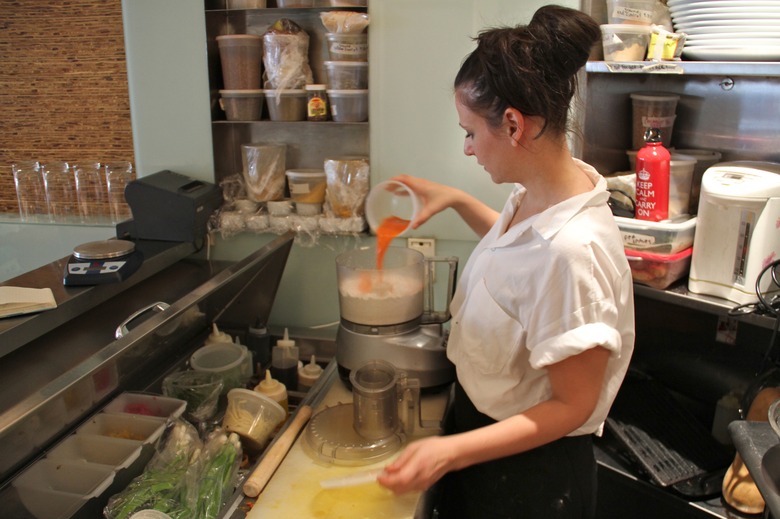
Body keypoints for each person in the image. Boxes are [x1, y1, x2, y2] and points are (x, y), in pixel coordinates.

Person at [375, 5, 635, 518]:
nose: (468, 148)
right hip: (486, 436)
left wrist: (448, 451)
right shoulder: (546, 192)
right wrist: (454, 199)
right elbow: (518, 258)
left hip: (532, 475)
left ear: (513, 125)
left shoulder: (573, 253)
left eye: (470, 132)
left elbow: (572, 406)